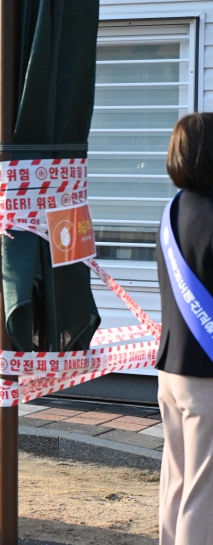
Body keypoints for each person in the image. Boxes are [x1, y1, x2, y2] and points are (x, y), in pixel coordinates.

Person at [156, 112, 213, 544]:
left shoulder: (174, 210)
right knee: (204, 490)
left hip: (171, 369)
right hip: (206, 373)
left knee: (177, 478)